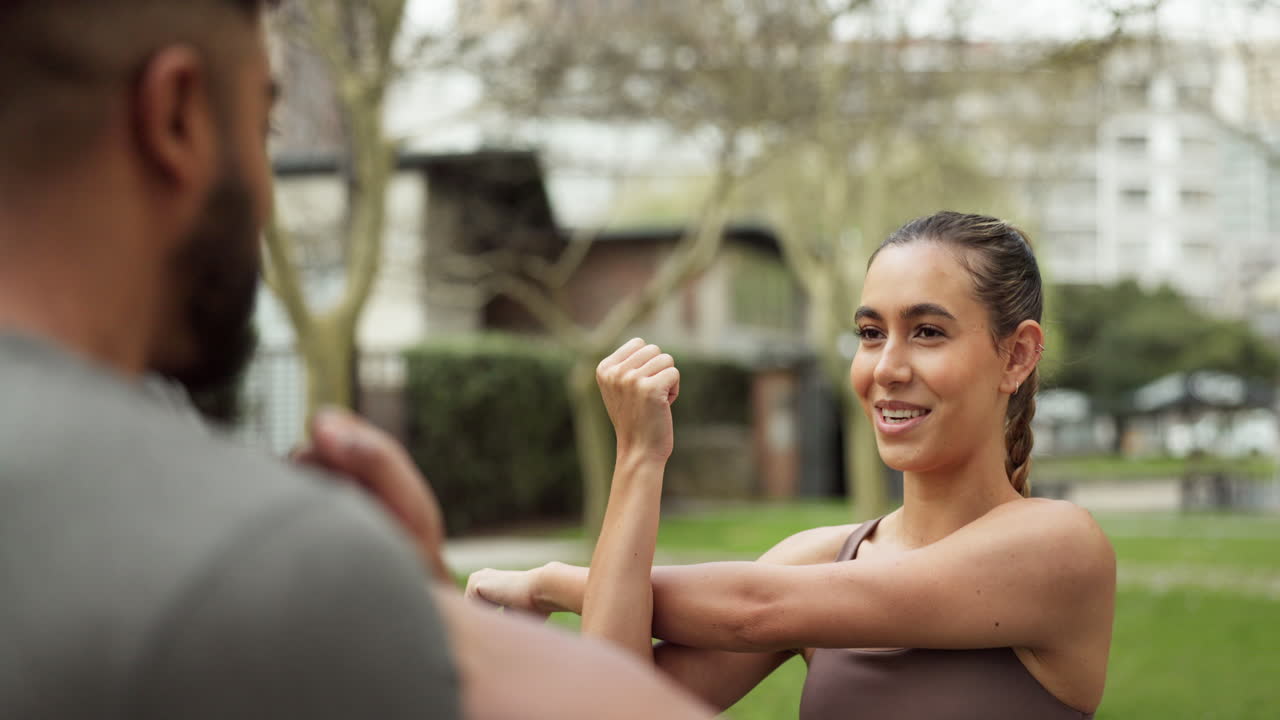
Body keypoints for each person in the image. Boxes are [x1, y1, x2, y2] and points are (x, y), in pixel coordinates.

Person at [0, 2, 714, 719]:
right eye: (262, 128)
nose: (267, 192)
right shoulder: (248, 569)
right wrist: (411, 606)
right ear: (177, 116)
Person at [466, 212, 1117, 719]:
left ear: (1017, 356)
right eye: (870, 332)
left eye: (927, 331)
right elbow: (616, 701)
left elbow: (754, 609)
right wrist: (639, 458)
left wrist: (552, 582)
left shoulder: (1059, 549)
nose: (886, 368)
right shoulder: (825, 558)